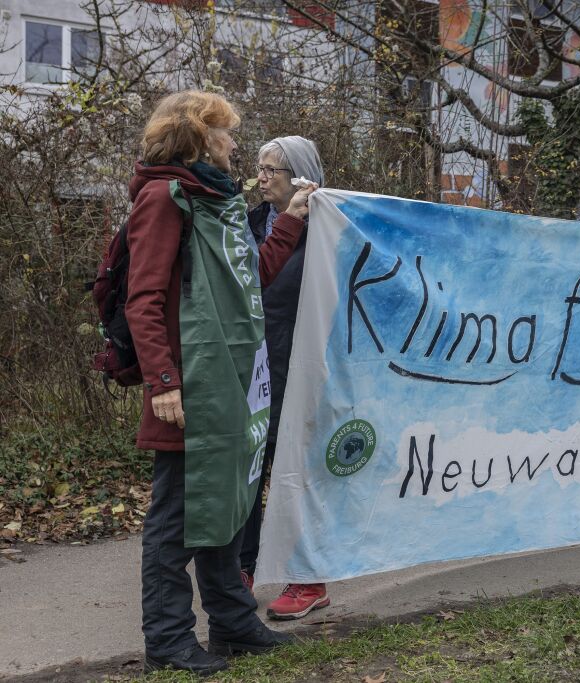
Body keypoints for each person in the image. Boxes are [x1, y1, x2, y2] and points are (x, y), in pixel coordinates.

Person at [126, 91, 317, 675]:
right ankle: (168, 639)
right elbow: (144, 298)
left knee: (229, 507)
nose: (236, 144)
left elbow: (248, 283)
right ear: (201, 138)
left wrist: (287, 225)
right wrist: (163, 380)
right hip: (188, 387)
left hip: (233, 386)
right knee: (177, 519)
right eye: (228, 134)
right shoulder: (164, 198)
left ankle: (232, 623)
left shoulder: (216, 202)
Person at [239, 136, 330, 620]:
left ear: (300, 175)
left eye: (273, 168)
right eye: (260, 167)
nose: (263, 176)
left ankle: (307, 578)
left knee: (298, 472)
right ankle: (243, 569)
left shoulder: (328, 226)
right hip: (255, 366)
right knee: (252, 468)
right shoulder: (249, 223)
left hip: (303, 367)